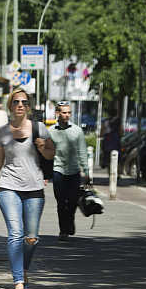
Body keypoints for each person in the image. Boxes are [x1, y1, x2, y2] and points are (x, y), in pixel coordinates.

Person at [0, 89, 55, 289]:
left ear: (29, 106)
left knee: (31, 237)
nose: (20, 105)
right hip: (9, 187)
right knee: (15, 234)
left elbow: (51, 153)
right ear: (10, 106)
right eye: (16, 102)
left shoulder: (39, 128)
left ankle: (23, 268)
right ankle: (18, 280)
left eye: (24, 102)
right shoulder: (2, 132)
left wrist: (43, 149)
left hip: (34, 188)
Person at [49, 101, 89, 241]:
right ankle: (63, 230)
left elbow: (82, 152)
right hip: (58, 170)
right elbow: (47, 154)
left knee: (72, 201)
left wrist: (87, 171)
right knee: (61, 202)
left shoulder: (77, 131)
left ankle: (70, 221)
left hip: (74, 171)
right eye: (64, 112)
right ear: (57, 113)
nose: (66, 115)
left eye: (68, 112)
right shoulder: (51, 131)